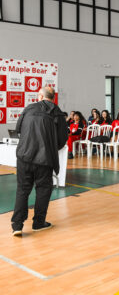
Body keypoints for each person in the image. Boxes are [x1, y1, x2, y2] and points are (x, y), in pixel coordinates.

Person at [11, 87, 68, 236]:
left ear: (40, 96)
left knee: (23, 189)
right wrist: (49, 146)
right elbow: (62, 140)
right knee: (43, 189)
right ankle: (38, 223)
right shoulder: (58, 113)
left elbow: (18, 130)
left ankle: (17, 225)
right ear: (53, 98)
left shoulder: (29, 108)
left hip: (24, 156)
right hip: (44, 158)